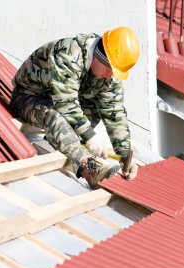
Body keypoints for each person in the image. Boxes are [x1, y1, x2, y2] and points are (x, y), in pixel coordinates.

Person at [10, 26, 140, 189]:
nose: (110, 75)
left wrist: (125, 155)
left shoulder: (107, 71)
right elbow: (65, 103)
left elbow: (114, 111)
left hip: (63, 102)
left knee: (95, 105)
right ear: (99, 56)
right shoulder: (68, 53)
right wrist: (90, 136)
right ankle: (89, 168)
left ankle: (67, 143)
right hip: (29, 97)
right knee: (54, 114)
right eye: (110, 69)